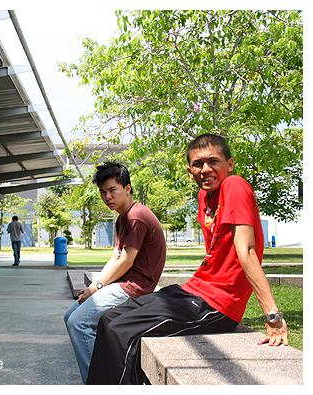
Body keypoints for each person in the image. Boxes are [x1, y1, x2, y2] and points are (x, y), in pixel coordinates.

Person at [86, 134, 289, 385]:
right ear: (189, 170)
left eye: (213, 161)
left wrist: (273, 317)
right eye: (198, 164)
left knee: (121, 331)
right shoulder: (205, 197)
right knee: (108, 319)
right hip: (193, 290)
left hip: (217, 305)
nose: (205, 169)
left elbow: (246, 252)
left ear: (230, 164)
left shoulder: (234, 186)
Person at [63, 162, 166, 383]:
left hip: (135, 288)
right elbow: (115, 257)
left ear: (127, 188)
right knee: (69, 316)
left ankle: (98, 383)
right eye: (103, 192)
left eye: (112, 190)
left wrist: (97, 287)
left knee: (78, 323)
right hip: (123, 283)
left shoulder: (136, 217)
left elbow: (126, 261)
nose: (107, 197)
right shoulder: (123, 218)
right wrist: (94, 286)